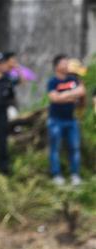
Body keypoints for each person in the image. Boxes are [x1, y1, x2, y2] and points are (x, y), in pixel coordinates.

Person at [46, 54, 85, 186]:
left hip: (71, 120)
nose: (67, 64)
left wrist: (63, 95)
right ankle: (56, 175)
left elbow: (81, 91)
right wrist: (71, 95)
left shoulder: (73, 79)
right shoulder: (53, 81)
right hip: (55, 120)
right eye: (64, 62)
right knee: (55, 148)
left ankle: (75, 175)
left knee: (74, 148)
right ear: (57, 66)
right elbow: (54, 99)